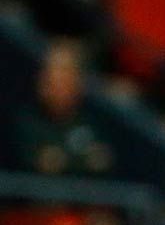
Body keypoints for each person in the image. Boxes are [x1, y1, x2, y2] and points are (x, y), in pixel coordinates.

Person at [6, 37, 111, 178]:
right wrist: (80, 159)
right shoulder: (25, 120)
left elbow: (101, 160)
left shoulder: (91, 120)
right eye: (53, 82)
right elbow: (46, 163)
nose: (58, 89)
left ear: (78, 85)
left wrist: (64, 159)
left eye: (65, 82)